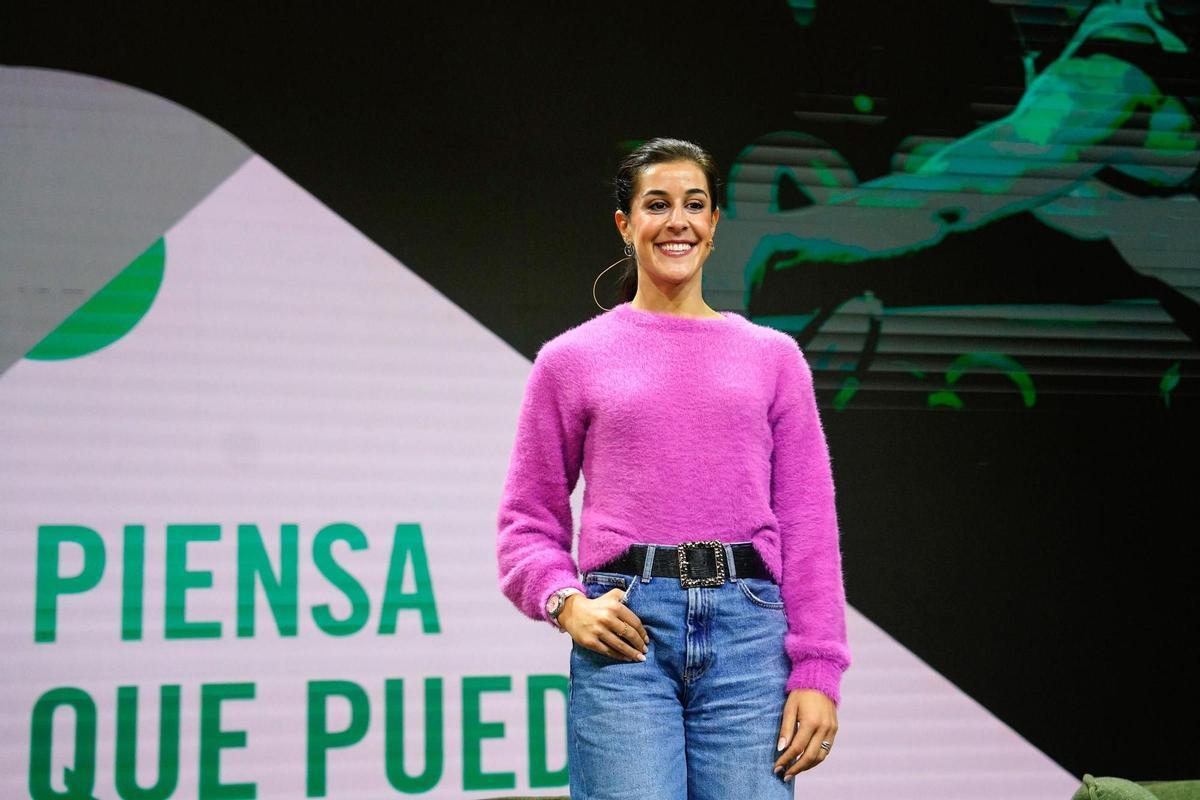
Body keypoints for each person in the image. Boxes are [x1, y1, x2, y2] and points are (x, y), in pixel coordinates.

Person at [496, 138, 851, 799]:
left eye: (695, 204)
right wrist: (566, 603)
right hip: (626, 635)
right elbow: (526, 522)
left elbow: (808, 525)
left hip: (751, 638)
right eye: (656, 204)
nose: (677, 221)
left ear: (715, 223)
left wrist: (817, 673)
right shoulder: (570, 361)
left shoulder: (773, 359)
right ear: (625, 225)